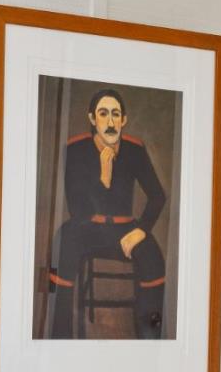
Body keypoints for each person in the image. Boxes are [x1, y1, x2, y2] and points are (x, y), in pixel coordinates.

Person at [47, 88, 168, 338]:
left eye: (116, 114)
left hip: (125, 229)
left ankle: (151, 340)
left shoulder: (135, 149)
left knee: (154, 257)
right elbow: (77, 209)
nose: (110, 122)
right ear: (93, 118)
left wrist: (141, 230)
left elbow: (158, 196)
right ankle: (58, 339)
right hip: (86, 226)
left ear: (124, 119)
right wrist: (103, 177)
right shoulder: (75, 149)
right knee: (62, 247)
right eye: (104, 114)